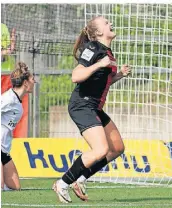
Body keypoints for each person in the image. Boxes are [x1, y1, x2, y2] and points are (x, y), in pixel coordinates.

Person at [53, 16, 131, 203]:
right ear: (98, 33)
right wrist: (99, 64)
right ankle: (62, 183)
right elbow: (76, 75)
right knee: (101, 149)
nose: (110, 24)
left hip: (94, 107)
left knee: (117, 148)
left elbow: (102, 80)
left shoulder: (107, 52)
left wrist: (119, 74)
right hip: (82, 105)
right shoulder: (93, 48)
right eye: (106, 23)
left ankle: (80, 179)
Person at [1, 62, 36, 191]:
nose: (35, 82)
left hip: (4, 150)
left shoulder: (17, 102)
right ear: (25, 83)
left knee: (15, 187)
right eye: (33, 79)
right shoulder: (8, 99)